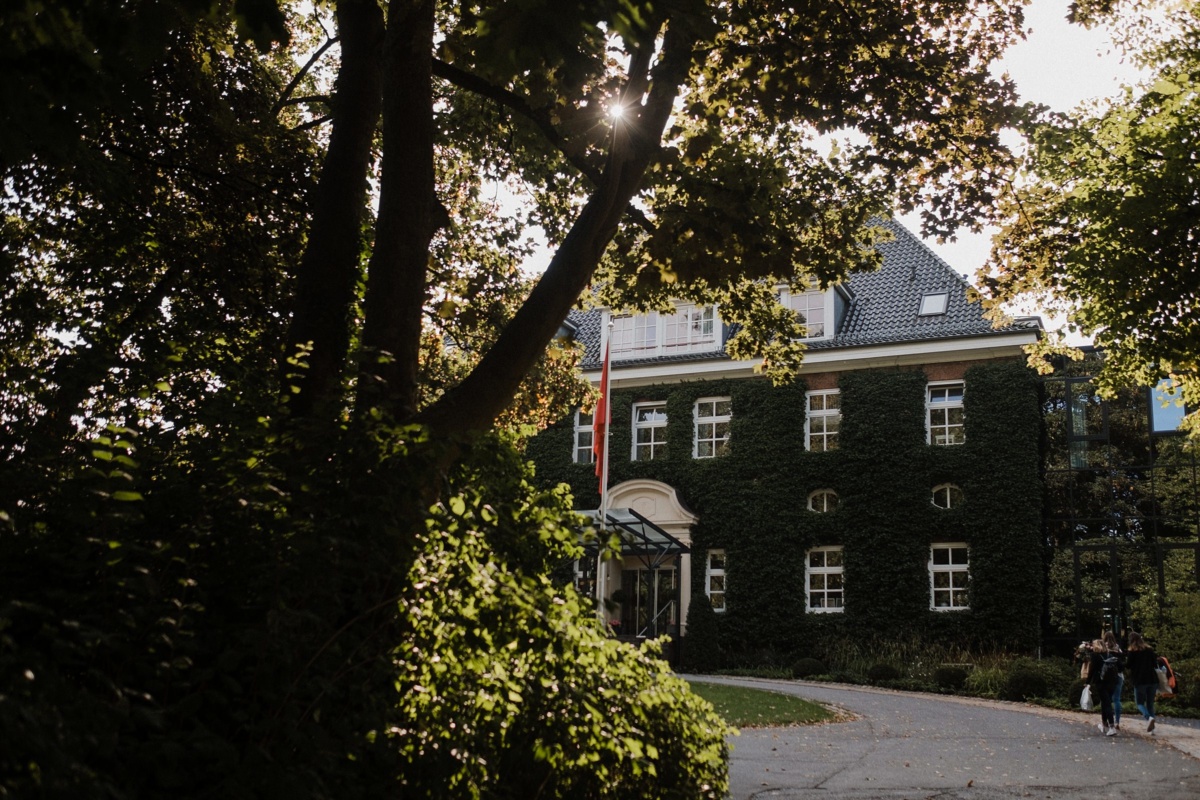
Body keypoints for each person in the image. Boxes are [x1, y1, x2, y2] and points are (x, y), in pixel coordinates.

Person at [1126, 631, 1159, 734]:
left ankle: (1148, 717)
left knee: (1140, 703)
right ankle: (1152, 730)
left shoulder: (1132, 651)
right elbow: (1155, 664)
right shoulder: (1149, 650)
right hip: (1152, 679)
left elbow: (1128, 665)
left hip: (1139, 680)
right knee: (1150, 703)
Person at [1087, 637, 1120, 736]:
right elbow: (1120, 666)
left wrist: (1088, 682)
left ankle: (1111, 726)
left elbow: (1092, 670)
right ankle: (1104, 724)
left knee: (1106, 704)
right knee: (1106, 702)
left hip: (1101, 682)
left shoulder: (1095, 656)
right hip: (1112, 681)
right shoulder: (1110, 654)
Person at [1103, 630, 1125, 729]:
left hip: (1107, 677)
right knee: (1117, 699)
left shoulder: (1103, 648)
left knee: (1107, 700)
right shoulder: (1118, 648)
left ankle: (1107, 720)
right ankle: (1117, 722)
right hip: (1119, 675)